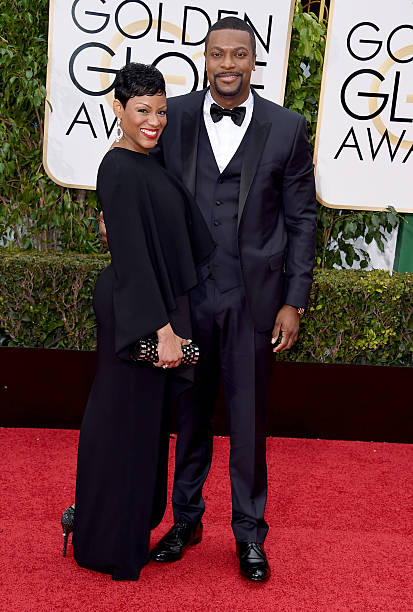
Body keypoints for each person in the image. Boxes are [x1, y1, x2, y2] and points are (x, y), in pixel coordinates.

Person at [100, 16, 317, 582]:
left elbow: (302, 219)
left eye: (237, 55)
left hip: (255, 303)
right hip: (188, 298)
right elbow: (136, 182)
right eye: (217, 54)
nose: (227, 65)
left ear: (253, 61)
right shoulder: (172, 121)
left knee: (248, 421)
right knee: (188, 417)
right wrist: (111, 219)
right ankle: (186, 520)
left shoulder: (288, 127)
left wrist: (294, 300)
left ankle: (249, 533)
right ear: (205, 57)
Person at [65, 62, 213, 581]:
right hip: (138, 311)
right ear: (118, 109)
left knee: (138, 428)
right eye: (142, 110)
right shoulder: (120, 167)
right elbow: (132, 256)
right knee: (121, 427)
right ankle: (106, 543)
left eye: (161, 112)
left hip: (146, 305)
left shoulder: (144, 162)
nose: (154, 121)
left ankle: (111, 530)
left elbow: (155, 237)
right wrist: (164, 329)